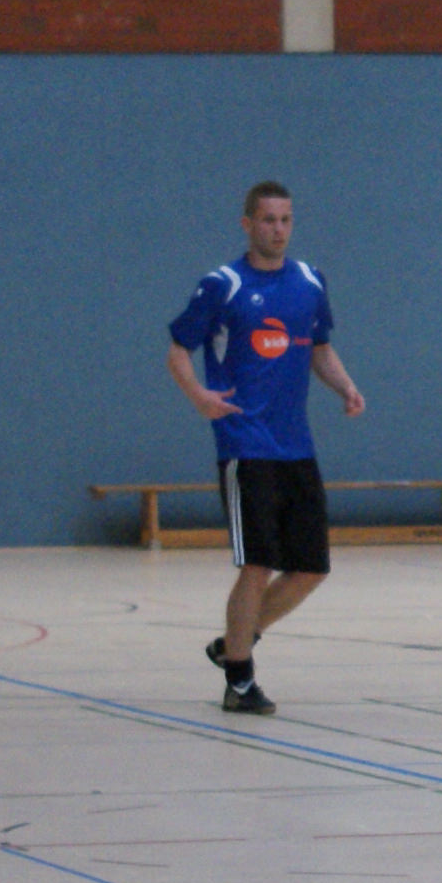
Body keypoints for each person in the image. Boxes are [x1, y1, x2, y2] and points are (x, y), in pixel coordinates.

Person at [167, 182, 363, 717]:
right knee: (258, 563)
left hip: (296, 446)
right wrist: (200, 396)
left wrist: (345, 387)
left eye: (285, 220)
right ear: (248, 224)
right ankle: (240, 682)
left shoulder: (309, 281)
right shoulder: (223, 285)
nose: (278, 229)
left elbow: (319, 349)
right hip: (244, 443)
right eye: (269, 219)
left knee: (311, 568)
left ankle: (235, 642)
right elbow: (179, 351)